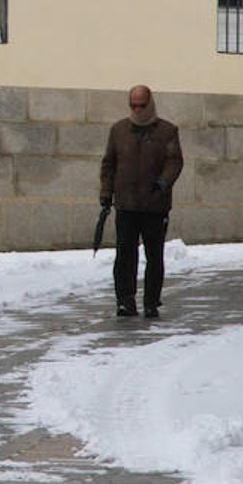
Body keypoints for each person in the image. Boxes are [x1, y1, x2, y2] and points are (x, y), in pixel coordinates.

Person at [99, 85, 183, 318]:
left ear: (150, 103)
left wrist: (163, 183)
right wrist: (106, 192)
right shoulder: (119, 130)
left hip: (155, 204)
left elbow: (174, 161)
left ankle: (151, 301)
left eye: (141, 105)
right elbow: (109, 164)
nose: (137, 110)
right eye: (133, 105)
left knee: (154, 255)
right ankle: (125, 301)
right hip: (126, 203)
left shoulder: (167, 131)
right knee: (125, 254)